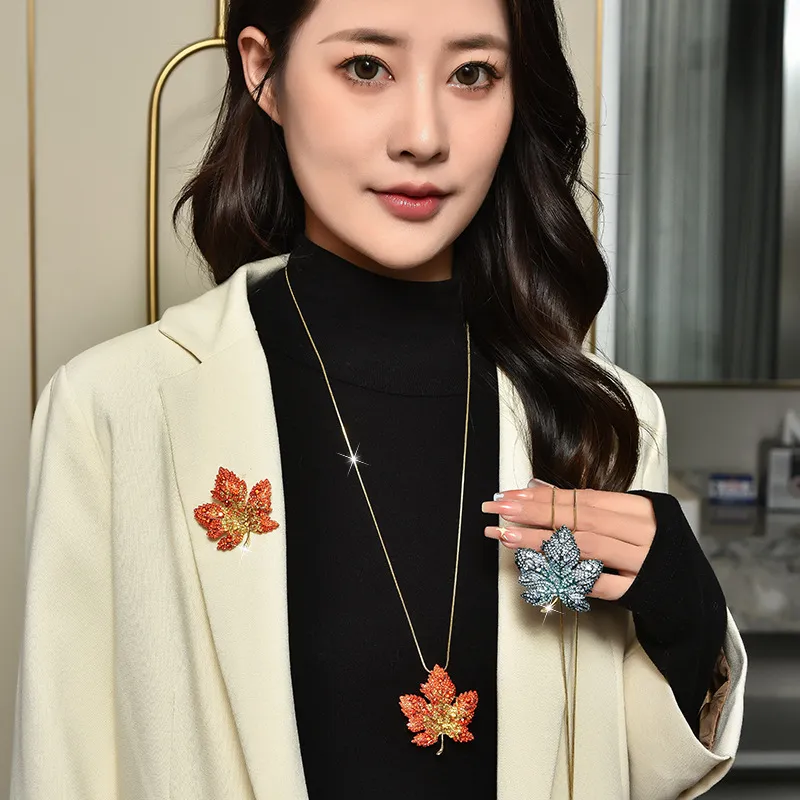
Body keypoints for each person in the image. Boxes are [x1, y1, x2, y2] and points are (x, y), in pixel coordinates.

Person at [11, 0, 746, 798]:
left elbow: (631, 773)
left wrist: (686, 607)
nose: (423, 136)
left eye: (473, 73)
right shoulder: (117, 410)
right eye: (366, 67)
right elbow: (63, 767)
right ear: (264, 72)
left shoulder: (600, 418)